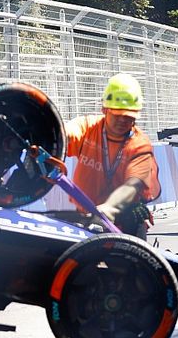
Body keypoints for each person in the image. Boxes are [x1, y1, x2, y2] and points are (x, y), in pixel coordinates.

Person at [65, 73, 161, 238]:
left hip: (125, 221)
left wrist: (109, 208)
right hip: (85, 219)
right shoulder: (87, 127)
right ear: (104, 109)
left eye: (129, 116)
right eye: (117, 114)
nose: (122, 121)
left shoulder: (140, 145)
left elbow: (133, 185)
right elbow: (65, 135)